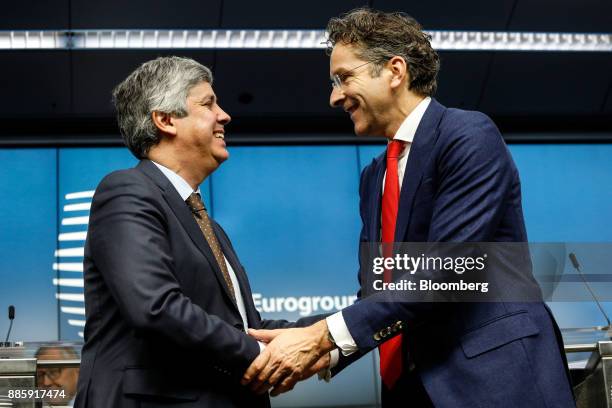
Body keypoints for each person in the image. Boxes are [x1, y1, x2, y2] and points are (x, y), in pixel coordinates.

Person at [242, 8, 575, 408]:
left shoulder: (466, 135)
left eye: (343, 77)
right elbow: (377, 293)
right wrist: (318, 351)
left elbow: (444, 272)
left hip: (496, 381)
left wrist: (319, 338)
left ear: (395, 71)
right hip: (413, 390)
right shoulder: (373, 177)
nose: (334, 97)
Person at [74, 56, 320, 408]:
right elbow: (156, 307)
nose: (224, 115)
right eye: (208, 103)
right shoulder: (126, 190)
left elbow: (244, 325)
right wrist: (263, 353)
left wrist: (327, 333)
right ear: (165, 120)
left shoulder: (208, 225)